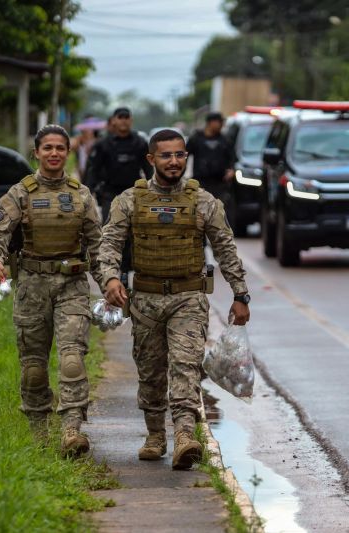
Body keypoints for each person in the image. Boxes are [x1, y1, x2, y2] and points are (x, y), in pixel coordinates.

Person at [98, 128, 251, 470]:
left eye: (179, 154)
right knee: (151, 372)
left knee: (185, 365)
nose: (173, 161)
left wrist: (240, 294)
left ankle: (184, 435)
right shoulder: (129, 201)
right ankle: (155, 435)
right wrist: (110, 278)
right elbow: (109, 243)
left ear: (186, 157)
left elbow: (226, 250)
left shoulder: (204, 202)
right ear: (151, 159)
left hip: (189, 299)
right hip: (146, 301)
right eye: (165, 155)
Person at [0, 124, 103, 458]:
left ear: (68, 152)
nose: (53, 153)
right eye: (47, 148)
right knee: (34, 366)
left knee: (72, 358)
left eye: (60, 148)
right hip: (32, 287)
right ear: (36, 152)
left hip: (72, 285)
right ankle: (39, 433)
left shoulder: (81, 195)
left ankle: (71, 431)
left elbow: (97, 245)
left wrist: (109, 281)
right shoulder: (20, 193)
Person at [85, 107, 153, 222]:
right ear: (113, 121)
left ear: (131, 120)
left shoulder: (140, 143)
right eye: (120, 117)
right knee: (109, 227)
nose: (123, 120)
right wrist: (87, 193)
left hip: (134, 193)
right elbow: (93, 169)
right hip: (110, 194)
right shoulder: (103, 144)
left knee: (135, 228)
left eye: (126, 117)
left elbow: (148, 169)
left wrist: (152, 190)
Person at [186, 112, 235, 221]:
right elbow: (185, 155)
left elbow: (232, 158)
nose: (221, 125)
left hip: (220, 183)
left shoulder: (225, 140)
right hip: (201, 182)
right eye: (219, 122)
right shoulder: (196, 138)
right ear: (211, 122)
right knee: (200, 213)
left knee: (219, 213)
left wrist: (232, 170)